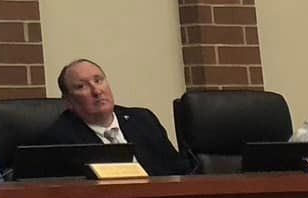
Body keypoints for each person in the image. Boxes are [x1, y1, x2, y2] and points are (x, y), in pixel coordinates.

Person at [35, 58, 196, 176]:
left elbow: (179, 170)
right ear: (68, 101)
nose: (97, 91)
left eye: (98, 80)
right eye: (82, 86)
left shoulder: (143, 120)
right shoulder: (59, 139)